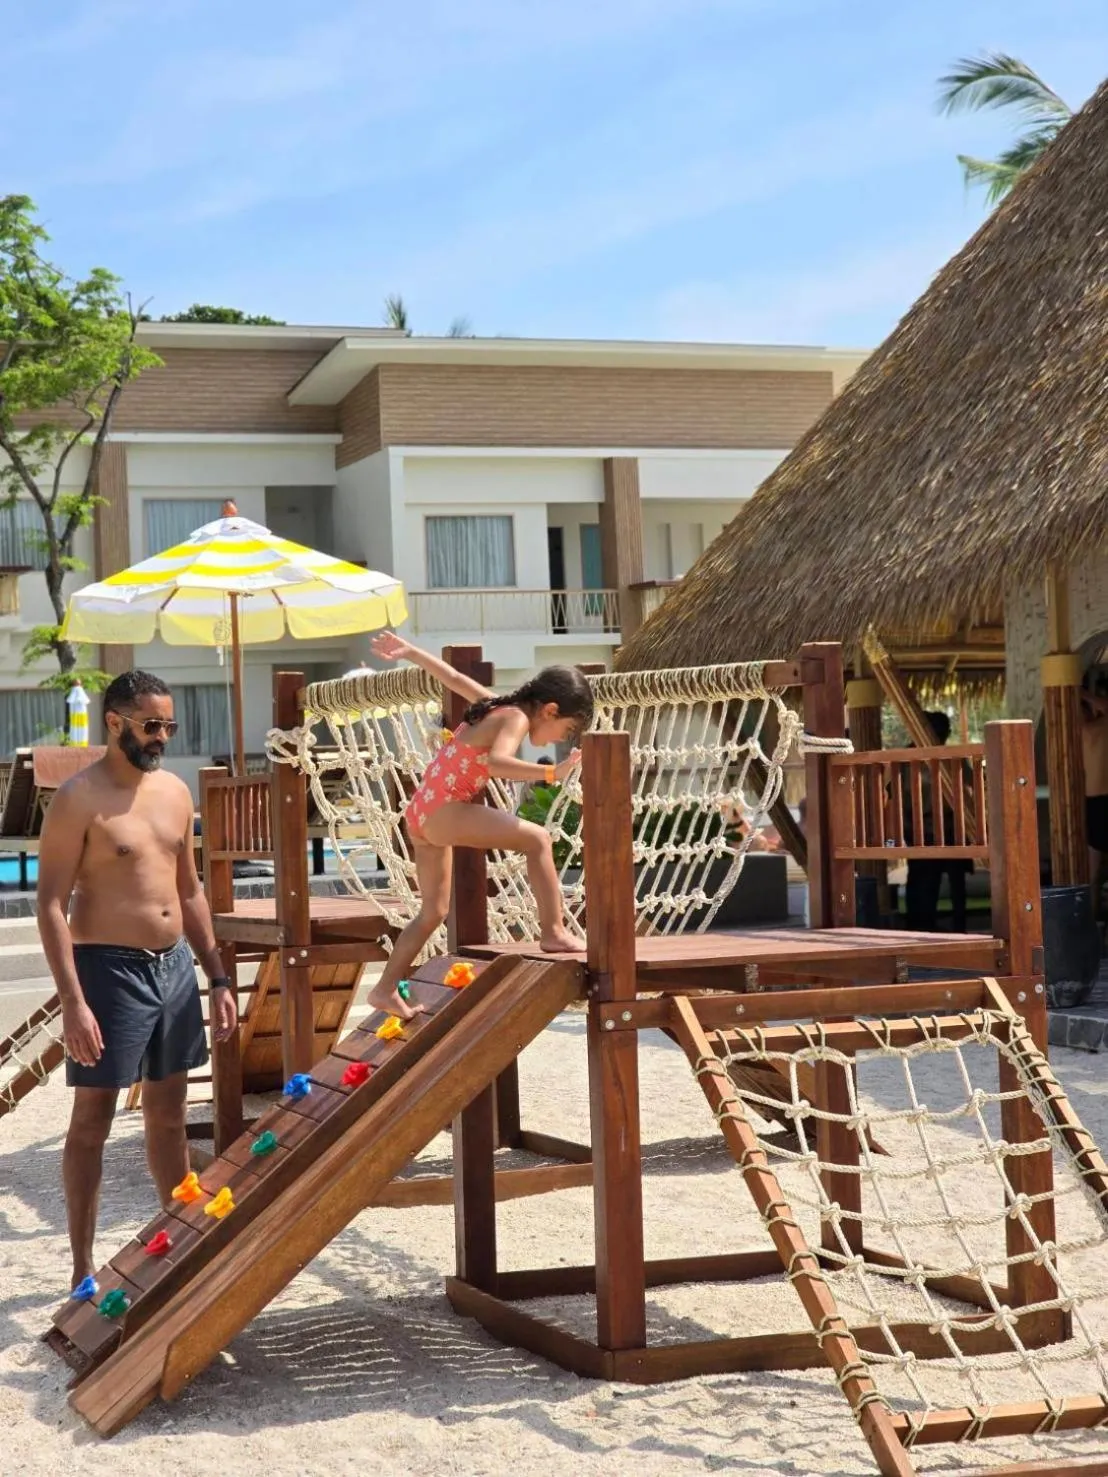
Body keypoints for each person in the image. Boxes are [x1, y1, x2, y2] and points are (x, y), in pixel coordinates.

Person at [36, 671, 237, 1289]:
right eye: (152, 726)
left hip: (172, 966)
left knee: (170, 1116)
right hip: (107, 969)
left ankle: (175, 1243)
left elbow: (191, 890)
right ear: (115, 722)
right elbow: (49, 902)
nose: (162, 737)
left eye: (170, 726)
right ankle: (80, 1267)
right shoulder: (78, 797)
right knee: (92, 1119)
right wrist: (73, 1003)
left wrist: (219, 977)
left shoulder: (176, 792)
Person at [366, 632, 592, 1018]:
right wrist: (552, 772)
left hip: (421, 814)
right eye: (567, 729)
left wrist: (411, 652)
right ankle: (553, 931)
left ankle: (385, 989)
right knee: (537, 839)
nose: (561, 738)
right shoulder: (516, 719)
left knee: (433, 912)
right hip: (444, 811)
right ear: (550, 710)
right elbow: (497, 764)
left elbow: (452, 678)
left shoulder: (496, 707)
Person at [903, 711, 972, 933]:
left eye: (945, 732)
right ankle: (921, 926)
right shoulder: (907, 757)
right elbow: (894, 796)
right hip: (922, 829)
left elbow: (971, 786)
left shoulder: (953, 757)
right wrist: (906, 828)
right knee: (923, 881)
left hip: (952, 828)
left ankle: (959, 926)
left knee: (956, 881)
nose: (943, 735)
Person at [1080, 677, 1108, 921]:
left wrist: (1085, 695)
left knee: (1093, 875)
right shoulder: (1091, 731)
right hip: (1096, 803)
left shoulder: (1092, 731)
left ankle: (1091, 921)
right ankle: (1091, 922)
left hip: (1096, 803)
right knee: (1091, 875)